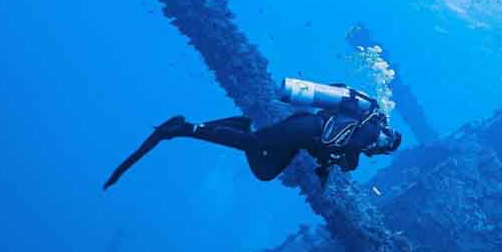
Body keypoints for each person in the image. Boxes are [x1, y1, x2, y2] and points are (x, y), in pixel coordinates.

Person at [103, 83, 402, 191]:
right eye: (386, 141)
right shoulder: (369, 130)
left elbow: (336, 157)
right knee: (256, 144)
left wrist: (326, 166)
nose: (381, 144)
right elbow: (347, 156)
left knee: (265, 172)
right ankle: (185, 128)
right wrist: (337, 161)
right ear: (386, 131)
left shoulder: (361, 141)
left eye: (385, 146)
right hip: (306, 127)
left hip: (302, 138)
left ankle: (240, 124)